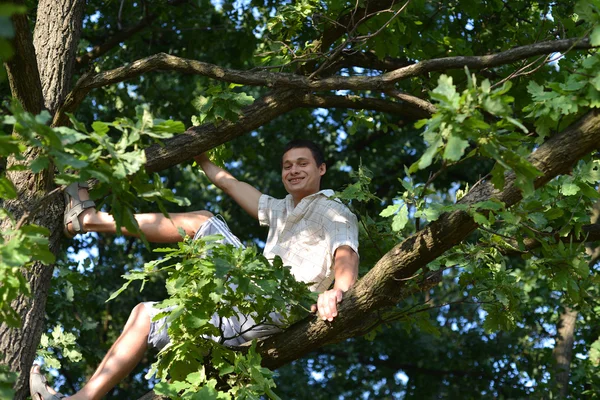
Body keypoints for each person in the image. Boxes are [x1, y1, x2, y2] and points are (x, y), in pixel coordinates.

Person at [29, 139, 359, 400]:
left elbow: (345, 253)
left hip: (276, 302)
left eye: (302, 163)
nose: (293, 170)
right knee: (145, 314)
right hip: (245, 306)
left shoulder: (333, 210)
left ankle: (88, 220)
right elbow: (231, 184)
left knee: (202, 222)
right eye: (287, 165)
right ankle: (81, 399)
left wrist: (338, 290)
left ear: (322, 168)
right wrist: (200, 157)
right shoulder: (282, 209)